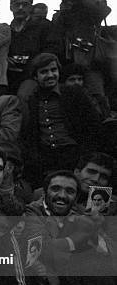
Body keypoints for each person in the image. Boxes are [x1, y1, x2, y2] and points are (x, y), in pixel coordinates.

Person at [20, 53, 102, 188]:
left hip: (75, 155)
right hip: (46, 159)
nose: (50, 75)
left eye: (54, 70)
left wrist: (85, 156)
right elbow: (30, 135)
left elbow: (93, 126)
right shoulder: (32, 100)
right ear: (35, 76)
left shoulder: (75, 93)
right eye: (44, 72)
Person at [47, 0, 111, 105]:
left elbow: (103, 12)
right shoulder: (60, 14)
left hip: (90, 63)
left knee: (96, 99)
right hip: (67, 65)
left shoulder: (90, 8)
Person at [7, 0, 51, 95]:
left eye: (25, 4)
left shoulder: (44, 26)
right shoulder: (6, 30)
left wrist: (34, 64)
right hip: (9, 77)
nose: (21, 8)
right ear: (11, 7)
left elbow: (52, 50)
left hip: (34, 77)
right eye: (17, 4)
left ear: (31, 7)